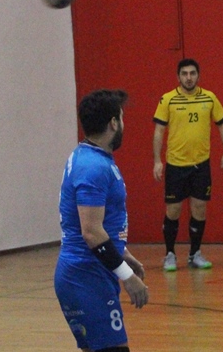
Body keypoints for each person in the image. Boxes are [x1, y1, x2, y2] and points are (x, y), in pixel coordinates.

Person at [55, 89, 149, 352]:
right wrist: (127, 276)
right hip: (86, 277)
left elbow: (96, 223)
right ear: (113, 123)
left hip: (88, 273)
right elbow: (91, 232)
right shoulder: (93, 167)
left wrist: (122, 253)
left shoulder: (89, 157)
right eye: (122, 117)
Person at [153, 58, 223, 271]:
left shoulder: (209, 98)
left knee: (199, 208)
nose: (188, 77)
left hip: (200, 165)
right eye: (184, 74)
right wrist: (157, 161)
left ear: (198, 75)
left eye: (192, 73)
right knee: (173, 210)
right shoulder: (168, 100)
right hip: (176, 165)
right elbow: (159, 131)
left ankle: (194, 254)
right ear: (178, 76)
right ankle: (169, 254)